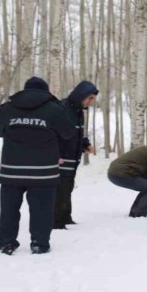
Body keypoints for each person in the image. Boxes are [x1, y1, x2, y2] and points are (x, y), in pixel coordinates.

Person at [0, 77, 75, 255]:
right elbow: (68, 133)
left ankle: (6, 242)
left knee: (9, 210)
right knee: (42, 210)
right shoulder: (54, 109)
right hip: (43, 172)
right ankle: (39, 243)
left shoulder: (8, 108)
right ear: (45, 91)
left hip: (12, 172)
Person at [54, 81, 99, 229]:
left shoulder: (78, 111)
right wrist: (56, 154)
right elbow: (54, 134)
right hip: (61, 158)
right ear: (81, 96)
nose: (91, 102)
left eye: (93, 99)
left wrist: (85, 144)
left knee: (68, 188)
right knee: (61, 190)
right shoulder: (62, 109)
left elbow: (76, 133)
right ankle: (56, 221)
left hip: (73, 157)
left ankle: (66, 216)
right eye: (90, 98)